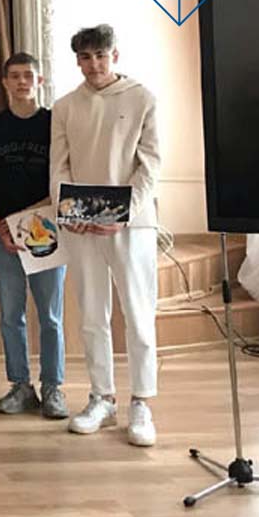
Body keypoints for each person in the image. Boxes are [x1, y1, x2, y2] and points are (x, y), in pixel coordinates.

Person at [51, 24, 160, 446]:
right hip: (81, 225)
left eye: (100, 55)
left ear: (114, 55)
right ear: (77, 61)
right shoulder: (65, 106)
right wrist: (68, 212)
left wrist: (123, 214)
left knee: (138, 313)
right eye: (85, 57)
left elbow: (149, 166)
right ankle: (102, 396)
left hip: (131, 225)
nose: (93, 64)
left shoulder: (142, 98)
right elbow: (59, 166)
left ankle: (142, 401)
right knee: (92, 314)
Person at [0, 52, 69, 419]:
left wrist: (29, 218)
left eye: (29, 75)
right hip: (4, 236)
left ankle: (53, 387)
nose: (22, 82)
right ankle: (20, 386)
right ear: (4, 82)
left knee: (50, 316)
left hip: (45, 231)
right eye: (14, 76)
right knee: (11, 315)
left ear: (40, 81)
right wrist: (0, 223)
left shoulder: (54, 122)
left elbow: (62, 177)